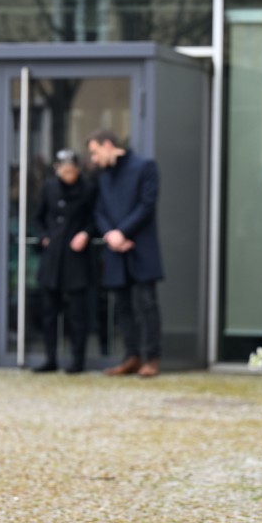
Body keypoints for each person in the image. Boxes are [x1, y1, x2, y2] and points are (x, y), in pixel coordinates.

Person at [89, 128, 164, 378]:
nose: (94, 159)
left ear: (108, 144)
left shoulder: (145, 167)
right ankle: (131, 357)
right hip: (115, 248)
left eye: (95, 152)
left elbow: (147, 204)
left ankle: (151, 358)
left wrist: (122, 231)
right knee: (122, 306)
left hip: (140, 246)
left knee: (146, 304)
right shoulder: (103, 177)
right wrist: (111, 234)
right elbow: (98, 211)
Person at [32, 149, 95, 373]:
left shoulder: (87, 188)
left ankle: (78, 360)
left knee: (77, 313)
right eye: (64, 171)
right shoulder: (49, 187)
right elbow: (38, 217)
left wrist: (86, 234)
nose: (68, 175)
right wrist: (44, 237)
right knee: (49, 312)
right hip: (53, 257)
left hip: (75, 257)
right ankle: (50, 358)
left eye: (71, 170)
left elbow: (94, 217)